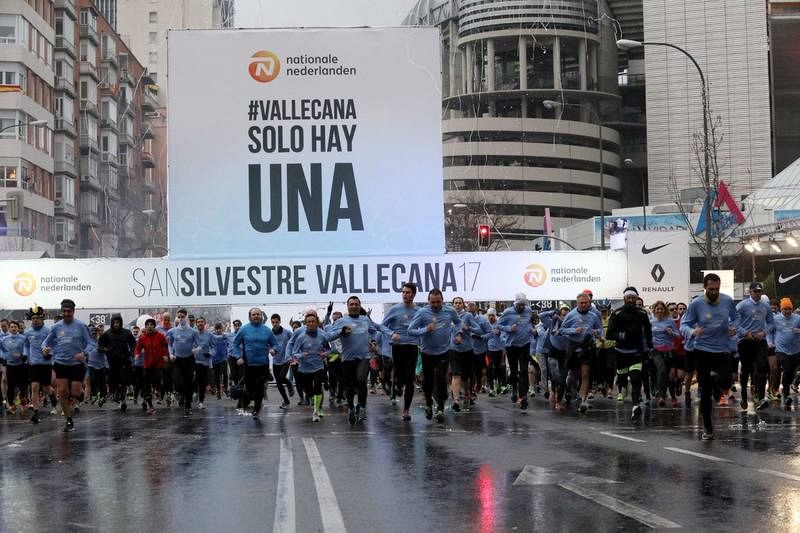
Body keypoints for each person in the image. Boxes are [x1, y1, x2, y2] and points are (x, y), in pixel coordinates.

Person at [681, 273, 738, 440]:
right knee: (705, 392)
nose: (714, 292)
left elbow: (736, 317)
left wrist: (734, 327)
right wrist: (692, 331)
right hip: (702, 351)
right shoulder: (696, 304)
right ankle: (707, 428)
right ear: (705, 287)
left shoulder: (727, 300)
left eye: (717, 289)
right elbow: (684, 325)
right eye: (711, 289)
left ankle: (715, 383)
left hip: (722, 349)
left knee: (726, 381)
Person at [325, 296, 390, 425]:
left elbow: (374, 330)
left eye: (356, 304)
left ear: (359, 306)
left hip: (364, 357)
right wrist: (341, 332)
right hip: (347, 359)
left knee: (361, 380)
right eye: (351, 304)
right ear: (347, 306)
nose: (354, 306)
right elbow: (327, 336)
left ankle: (362, 407)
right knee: (349, 386)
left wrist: (375, 340)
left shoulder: (365, 320)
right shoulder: (341, 321)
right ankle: (350, 408)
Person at [408, 288, 463, 422]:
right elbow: (410, 330)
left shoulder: (450, 311)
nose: (436, 305)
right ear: (428, 301)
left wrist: (458, 334)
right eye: (433, 302)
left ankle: (440, 408)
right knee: (428, 381)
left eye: (438, 302)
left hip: (444, 351)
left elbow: (458, 322)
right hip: (427, 352)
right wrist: (425, 329)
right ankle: (428, 403)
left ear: (442, 301)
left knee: (441, 378)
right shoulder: (422, 313)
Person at [42, 299, 93, 432]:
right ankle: (69, 421)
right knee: (63, 392)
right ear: (61, 311)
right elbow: (46, 343)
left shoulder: (81, 326)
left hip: (77, 364)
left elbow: (91, 344)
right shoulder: (56, 327)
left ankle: (79, 395)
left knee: (75, 393)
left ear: (73, 311)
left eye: (68, 311)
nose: (66, 313)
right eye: (64, 311)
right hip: (61, 363)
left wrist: (84, 353)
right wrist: (45, 349)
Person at [606, 287, 653, 421]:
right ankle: (622, 388)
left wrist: (649, 346)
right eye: (629, 297)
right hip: (620, 352)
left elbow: (648, 331)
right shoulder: (617, 314)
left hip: (636, 352)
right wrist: (623, 335)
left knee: (636, 378)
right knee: (622, 377)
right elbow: (609, 334)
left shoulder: (642, 314)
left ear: (637, 298)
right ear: (624, 298)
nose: (631, 300)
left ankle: (635, 406)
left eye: (633, 297)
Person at [382, 282, 421, 421]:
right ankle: (398, 385)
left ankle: (406, 410)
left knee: (410, 378)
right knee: (399, 374)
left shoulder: (419, 311)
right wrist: (391, 333)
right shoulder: (394, 309)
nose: (405, 295)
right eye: (403, 292)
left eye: (408, 292)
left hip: (412, 346)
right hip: (397, 346)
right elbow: (382, 326)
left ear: (414, 294)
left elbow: (424, 327)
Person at [561, 293, 605, 413]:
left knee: (586, 374)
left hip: (588, 347)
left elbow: (600, 329)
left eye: (586, 303)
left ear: (589, 303)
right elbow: (562, 330)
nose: (584, 305)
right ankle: (569, 388)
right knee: (574, 376)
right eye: (581, 303)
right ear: (577, 303)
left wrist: (599, 334)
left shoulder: (594, 315)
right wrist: (574, 330)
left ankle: (582, 400)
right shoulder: (571, 315)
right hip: (574, 347)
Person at [233, 307, 281, 419]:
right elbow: (235, 344)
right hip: (249, 365)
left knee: (260, 387)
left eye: (258, 314)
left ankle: (256, 409)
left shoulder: (267, 330)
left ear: (261, 316)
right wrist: (238, 357)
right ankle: (246, 397)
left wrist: (274, 350)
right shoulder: (244, 329)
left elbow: (276, 344)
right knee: (250, 388)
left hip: (263, 364)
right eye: (254, 314)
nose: (256, 316)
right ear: (250, 316)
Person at [289, 310, 337, 421]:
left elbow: (330, 349)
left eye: (313, 321)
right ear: (305, 323)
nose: (311, 323)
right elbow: (294, 352)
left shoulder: (322, 334)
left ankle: (316, 411)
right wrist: (301, 355)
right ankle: (315, 402)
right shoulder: (301, 336)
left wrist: (326, 353)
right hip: (304, 368)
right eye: (309, 322)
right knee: (308, 390)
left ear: (317, 322)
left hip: (318, 366)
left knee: (317, 387)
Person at [736, 282, 775, 411]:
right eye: (755, 291)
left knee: (762, 366)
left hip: (760, 340)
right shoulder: (742, 305)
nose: (758, 294)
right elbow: (734, 321)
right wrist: (744, 333)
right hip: (745, 341)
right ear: (750, 292)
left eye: (760, 291)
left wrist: (764, 332)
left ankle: (761, 397)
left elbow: (771, 323)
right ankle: (743, 396)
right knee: (746, 369)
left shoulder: (765, 306)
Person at [496, 293, 535, 410]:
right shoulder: (508, 312)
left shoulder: (528, 310)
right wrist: (509, 329)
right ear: (515, 303)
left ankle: (523, 396)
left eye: (523, 305)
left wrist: (531, 330)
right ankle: (514, 389)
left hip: (525, 344)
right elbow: (498, 325)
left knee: (523, 370)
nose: (521, 307)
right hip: (511, 345)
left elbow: (529, 322)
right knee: (513, 371)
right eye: (519, 305)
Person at [98, 314, 136, 413]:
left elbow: (133, 343)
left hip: (124, 360)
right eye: (114, 323)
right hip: (112, 361)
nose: (116, 324)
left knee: (123, 380)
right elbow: (101, 344)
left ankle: (123, 400)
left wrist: (132, 351)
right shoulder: (107, 333)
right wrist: (104, 349)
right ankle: (117, 397)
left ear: (120, 323)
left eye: (118, 323)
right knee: (114, 381)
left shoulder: (126, 332)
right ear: (112, 323)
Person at [166, 309, 201, 416]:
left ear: (186, 317)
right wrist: (171, 354)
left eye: (182, 317)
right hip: (177, 360)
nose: (181, 319)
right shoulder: (172, 331)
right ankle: (180, 394)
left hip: (189, 360)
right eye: (179, 317)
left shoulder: (193, 332)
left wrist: (196, 350)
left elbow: (200, 345)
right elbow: (170, 344)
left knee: (188, 383)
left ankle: (188, 405)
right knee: (178, 382)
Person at [23, 306, 52, 424]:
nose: (35, 320)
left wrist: (50, 352)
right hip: (33, 364)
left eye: (37, 318)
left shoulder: (48, 331)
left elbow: (53, 344)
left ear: (42, 319)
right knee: (34, 387)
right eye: (33, 318)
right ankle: (36, 412)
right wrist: (25, 355)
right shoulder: (28, 332)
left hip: (46, 363)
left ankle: (53, 396)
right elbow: (26, 346)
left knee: (46, 388)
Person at [134, 318, 169, 415]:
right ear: (145, 327)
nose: (149, 326)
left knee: (157, 380)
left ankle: (157, 390)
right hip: (147, 365)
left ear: (154, 326)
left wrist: (165, 355)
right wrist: (137, 354)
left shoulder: (160, 336)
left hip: (158, 364)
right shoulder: (142, 337)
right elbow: (138, 348)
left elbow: (166, 346)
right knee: (146, 386)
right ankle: (151, 406)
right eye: (147, 325)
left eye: (151, 325)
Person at [650, 301, 681, 408]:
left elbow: (678, 335)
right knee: (662, 371)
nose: (659, 311)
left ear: (665, 310)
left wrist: (671, 333)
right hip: (656, 351)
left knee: (671, 376)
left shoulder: (670, 321)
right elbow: (646, 336)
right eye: (657, 309)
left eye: (661, 309)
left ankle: (673, 397)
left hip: (669, 350)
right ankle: (662, 397)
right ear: (654, 310)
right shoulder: (651, 322)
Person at [772, 298, 800, 410]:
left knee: (792, 372)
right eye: (785, 309)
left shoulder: (798, 318)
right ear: (781, 309)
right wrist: (770, 341)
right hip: (781, 350)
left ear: (792, 309)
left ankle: (786, 386)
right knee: (787, 370)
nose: (787, 312)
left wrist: (799, 331)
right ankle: (787, 393)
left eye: (789, 309)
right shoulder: (776, 319)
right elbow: (769, 331)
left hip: (796, 350)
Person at [1, 320, 28, 414]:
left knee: (23, 386)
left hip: (21, 365)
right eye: (11, 327)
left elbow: (26, 348)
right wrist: (2, 358)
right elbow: (2, 350)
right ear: (9, 328)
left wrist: (24, 355)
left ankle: (22, 399)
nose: (13, 328)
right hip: (10, 366)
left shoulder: (23, 338)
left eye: (15, 327)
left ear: (18, 328)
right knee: (11, 386)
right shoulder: (4, 339)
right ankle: (12, 405)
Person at [270, 313, 294, 409]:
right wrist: (270, 350)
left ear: (280, 322)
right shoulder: (270, 334)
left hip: (286, 359)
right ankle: (286, 401)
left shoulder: (287, 332)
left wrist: (292, 354)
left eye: (276, 322)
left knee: (281, 377)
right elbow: (268, 345)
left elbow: (294, 341)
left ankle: (289, 384)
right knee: (279, 383)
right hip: (276, 361)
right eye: (273, 322)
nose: (275, 324)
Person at [193, 317, 215, 409]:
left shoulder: (209, 335)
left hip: (205, 362)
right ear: (196, 323)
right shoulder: (192, 333)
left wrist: (210, 353)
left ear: (205, 323)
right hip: (193, 361)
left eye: (202, 322)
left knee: (202, 382)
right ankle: (194, 392)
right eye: (198, 322)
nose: (200, 323)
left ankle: (201, 401)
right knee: (195, 379)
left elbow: (214, 347)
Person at [484, 308, 506, 397]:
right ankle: (492, 388)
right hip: (489, 350)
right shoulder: (486, 325)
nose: (491, 317)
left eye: (492, 315)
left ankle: (502, 385)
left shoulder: (499, 324)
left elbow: (505, 335)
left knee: (499, 368)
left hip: (499, 350)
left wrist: (500, 333)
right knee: (490, 368)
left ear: (495, 315)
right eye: (489, 315)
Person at [86, 326, 108, 408]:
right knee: (93, 380)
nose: (94, 334)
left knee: (102, 382)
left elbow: (107, 348)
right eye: (92, 333)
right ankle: (95, 395)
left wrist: (103, 349)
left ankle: (102, 397)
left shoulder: (102, 340)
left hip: (101, 365)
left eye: (95, 333)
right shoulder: (88, 341)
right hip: (91, 364)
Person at [211, 323, 229, 399]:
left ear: (222, 329)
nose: (218, 330)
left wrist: (228, 353)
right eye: (217, 329)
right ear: (215, 329)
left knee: (224, 374)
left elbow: (229, 345)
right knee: (217, 376)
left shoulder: (226, 336)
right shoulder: (212, 336)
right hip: (214, 359)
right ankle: (218, 391)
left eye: (220, 329)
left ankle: (225, 389)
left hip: (223, 359)